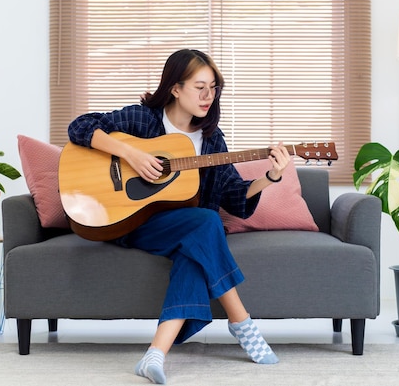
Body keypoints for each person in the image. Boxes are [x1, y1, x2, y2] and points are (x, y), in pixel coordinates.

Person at [68, 49, 290, 384]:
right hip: (131, 221)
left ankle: (155, 355)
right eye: (199, 86)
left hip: (183, 228)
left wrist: (270, 177)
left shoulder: (211, 139)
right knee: (205, 223)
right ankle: (241, 321)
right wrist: (131, 152)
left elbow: (233, 194)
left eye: (213, 87)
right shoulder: (143, 120)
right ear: (175, 88)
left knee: (197, 243)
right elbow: (80, 126)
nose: (208, 96)